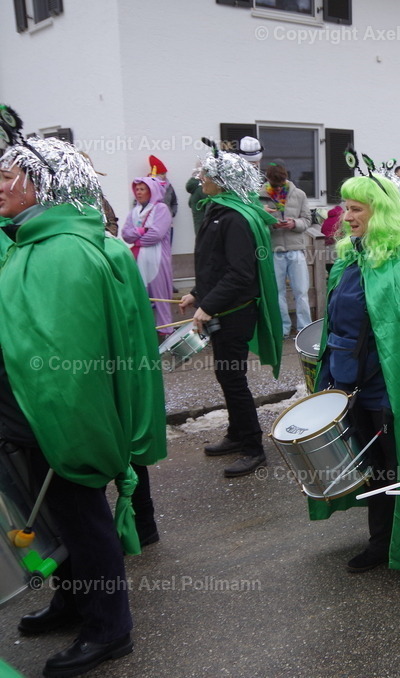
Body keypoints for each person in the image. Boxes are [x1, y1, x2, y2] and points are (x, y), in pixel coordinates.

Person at [0, 131, 165, 677]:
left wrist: (72, 435)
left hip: (57, 423)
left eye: (8, 176)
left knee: (83, 521)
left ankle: (109, 629)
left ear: (40, 185)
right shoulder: (34, 242)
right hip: (28, 417)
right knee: (57, 521)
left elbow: (73, 362)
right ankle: (73, 601)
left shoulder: (64, 251)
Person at [311, 172, 400, 574]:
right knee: (375, 474)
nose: (347, 215)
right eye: (346, 207)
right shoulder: (352, 262)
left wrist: (393, 393)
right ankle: (380, 542)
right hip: (351, 391)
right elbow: (337, 330)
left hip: (390, 396)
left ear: (381, 213)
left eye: (356, 208)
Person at [179, 144, 282, 478]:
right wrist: (197, 293)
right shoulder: (217, 209)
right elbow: (215, 263)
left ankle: (253, 447)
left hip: (234, 313)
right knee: (226, 374)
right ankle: (237, 434)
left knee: (233, 379)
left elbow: (241, 273)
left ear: (221, 180)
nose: (200, 178)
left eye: (206, 174)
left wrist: (209, 305)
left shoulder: (236, 217)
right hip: (222, 308)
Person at [259, 160, 312, 338]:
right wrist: (270, 222)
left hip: (296, 249)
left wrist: (293, 223)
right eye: (274, 184)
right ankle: (283, 329)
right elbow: (256, 223)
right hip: (274, 249)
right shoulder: (258, 196)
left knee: (301, 291)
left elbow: (307, 220)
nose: (278, 186)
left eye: (280, 184)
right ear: (267, 179)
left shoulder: (299, 194)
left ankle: (304, 328)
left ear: (286, 178)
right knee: (277, 292)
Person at [121, 176, 175, 338]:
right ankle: (144, 329)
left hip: (157, 259)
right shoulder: (134, 211)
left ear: (152, 191)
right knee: (140, 294)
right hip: (138, 260)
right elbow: (125, 234)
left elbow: (156, 234)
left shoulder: (161, 209)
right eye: (136, 189)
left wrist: (136, 239)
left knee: (161, 296)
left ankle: (165, 330)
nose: (138, 192)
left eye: (142, 189)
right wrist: (141, 232)